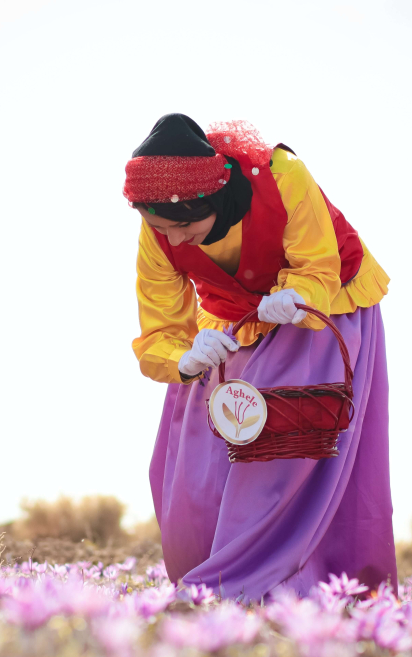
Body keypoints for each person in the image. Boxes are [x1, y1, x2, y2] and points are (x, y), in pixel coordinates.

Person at [126, 114, 395, 600]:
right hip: (234, 315)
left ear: (213, 199)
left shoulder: (284, 176)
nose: (176, 238)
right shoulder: (160, 228)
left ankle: (275, 589)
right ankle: (207, 580)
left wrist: (294, 298)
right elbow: (161, 328)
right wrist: (186, 357)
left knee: (286, 439)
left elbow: (317, 268)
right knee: (196, 443)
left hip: (323, 307)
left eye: (185, 224)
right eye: (161, 228)